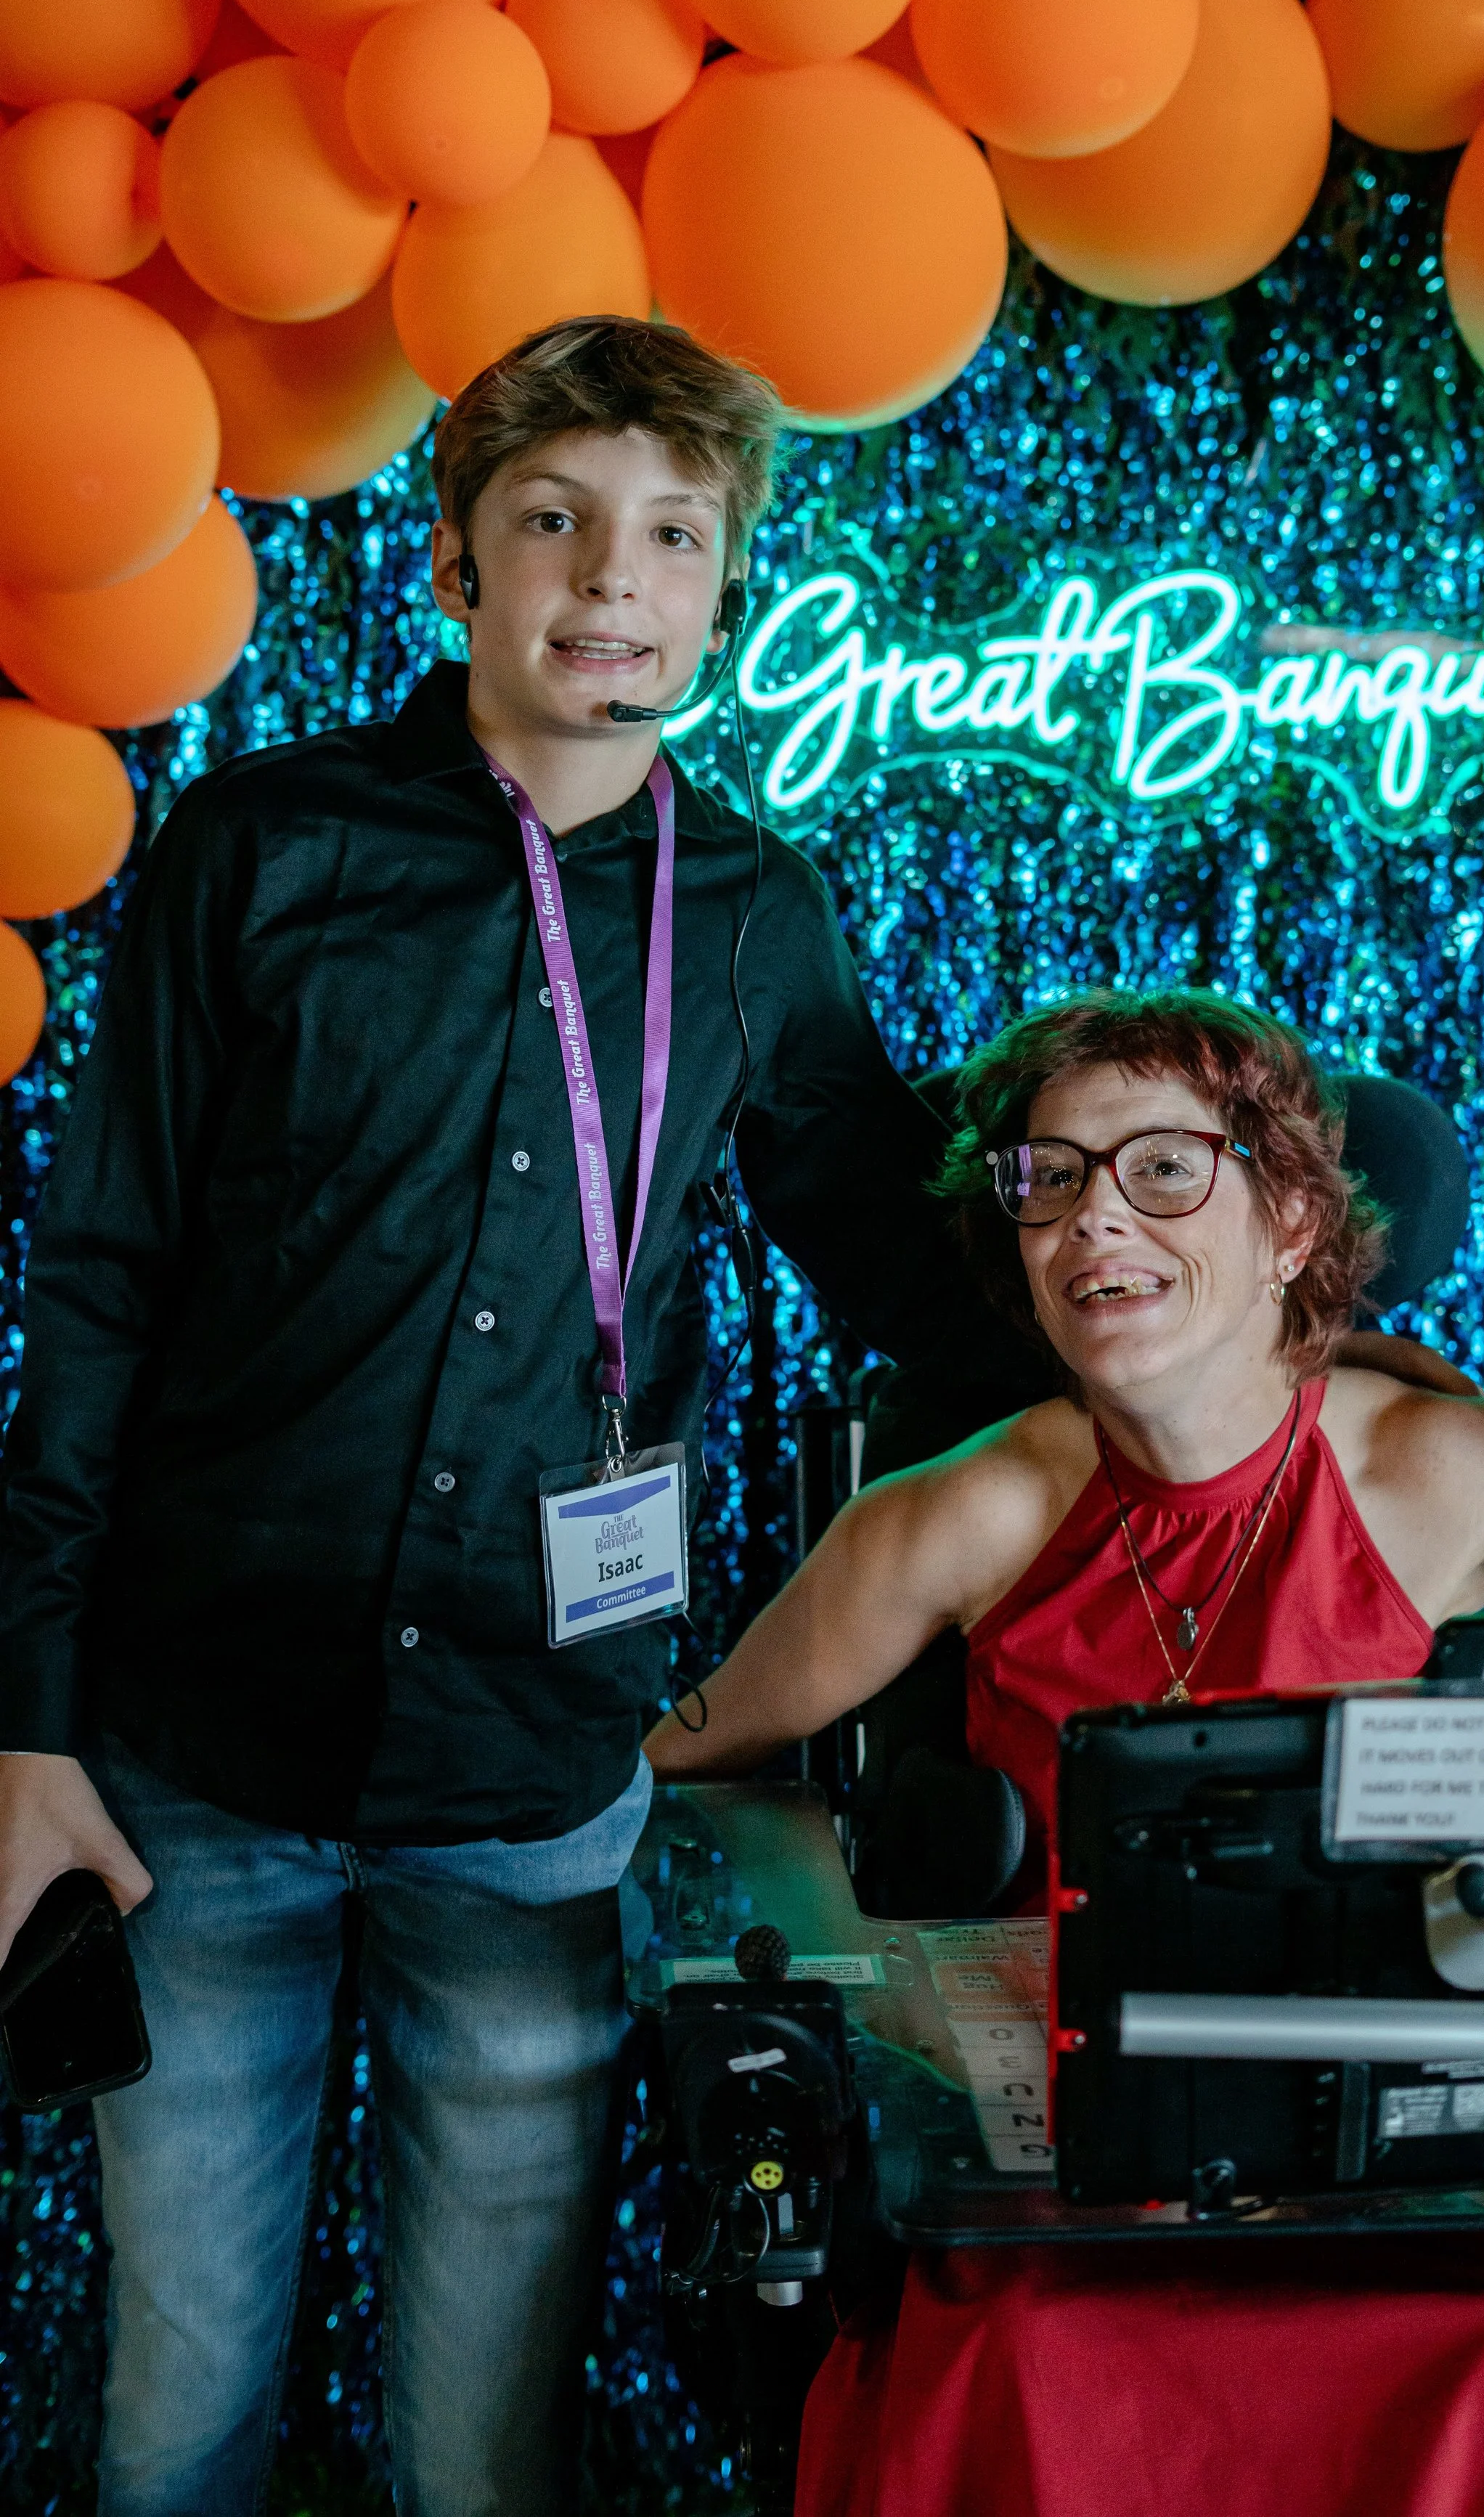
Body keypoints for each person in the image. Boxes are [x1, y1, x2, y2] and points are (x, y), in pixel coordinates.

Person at [0, 314, 1023, 2517]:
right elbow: (92, 1288)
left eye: (672, 532)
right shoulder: (258, 852)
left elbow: (901, 1270)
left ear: (723, 589)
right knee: (173, 2426)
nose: (609, 575)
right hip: (195, 1767)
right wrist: (26, 1724)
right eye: (551, 518)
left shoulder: (757, 913)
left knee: (488, 2458)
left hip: (535, 1766)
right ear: (459, 556)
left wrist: (1279, 1333)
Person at [646, 984, 1484, 2517]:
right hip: (1068, 2156)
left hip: (1387, 2156)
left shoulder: (1438, 1470)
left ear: (1288, 1223)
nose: (1090, 1218)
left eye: (1161, 1166)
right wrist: (874, 1978)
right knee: (1008, 2346)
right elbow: (697, 1758)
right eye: (1048, 1177)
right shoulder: (963, 1509)